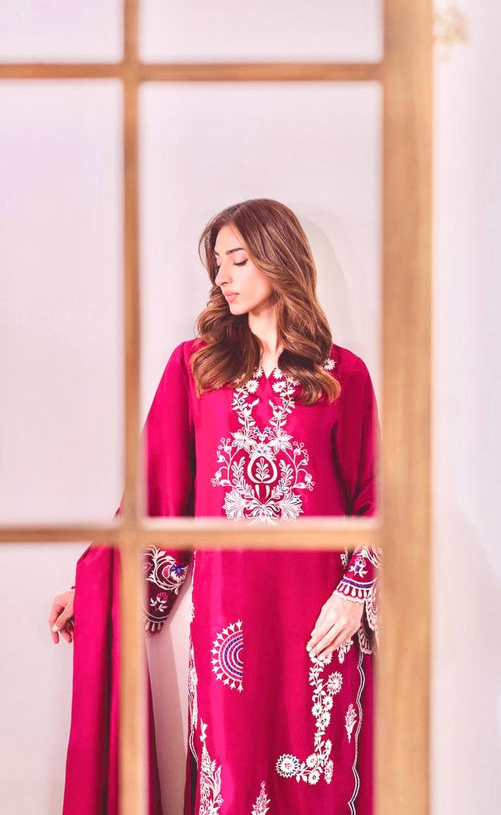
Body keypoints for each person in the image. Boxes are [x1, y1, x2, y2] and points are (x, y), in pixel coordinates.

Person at [50, 198, 381, 814]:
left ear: (279, 259)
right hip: (229, 617)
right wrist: (99, 587)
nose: (222, 276)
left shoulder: (342, 375)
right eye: (218, 264)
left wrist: (355, 591)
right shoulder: (197, 368)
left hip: (318, 618)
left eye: (238, 260)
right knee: (231, 782)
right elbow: (156, 491)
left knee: (321, 775)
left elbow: (373, 493)